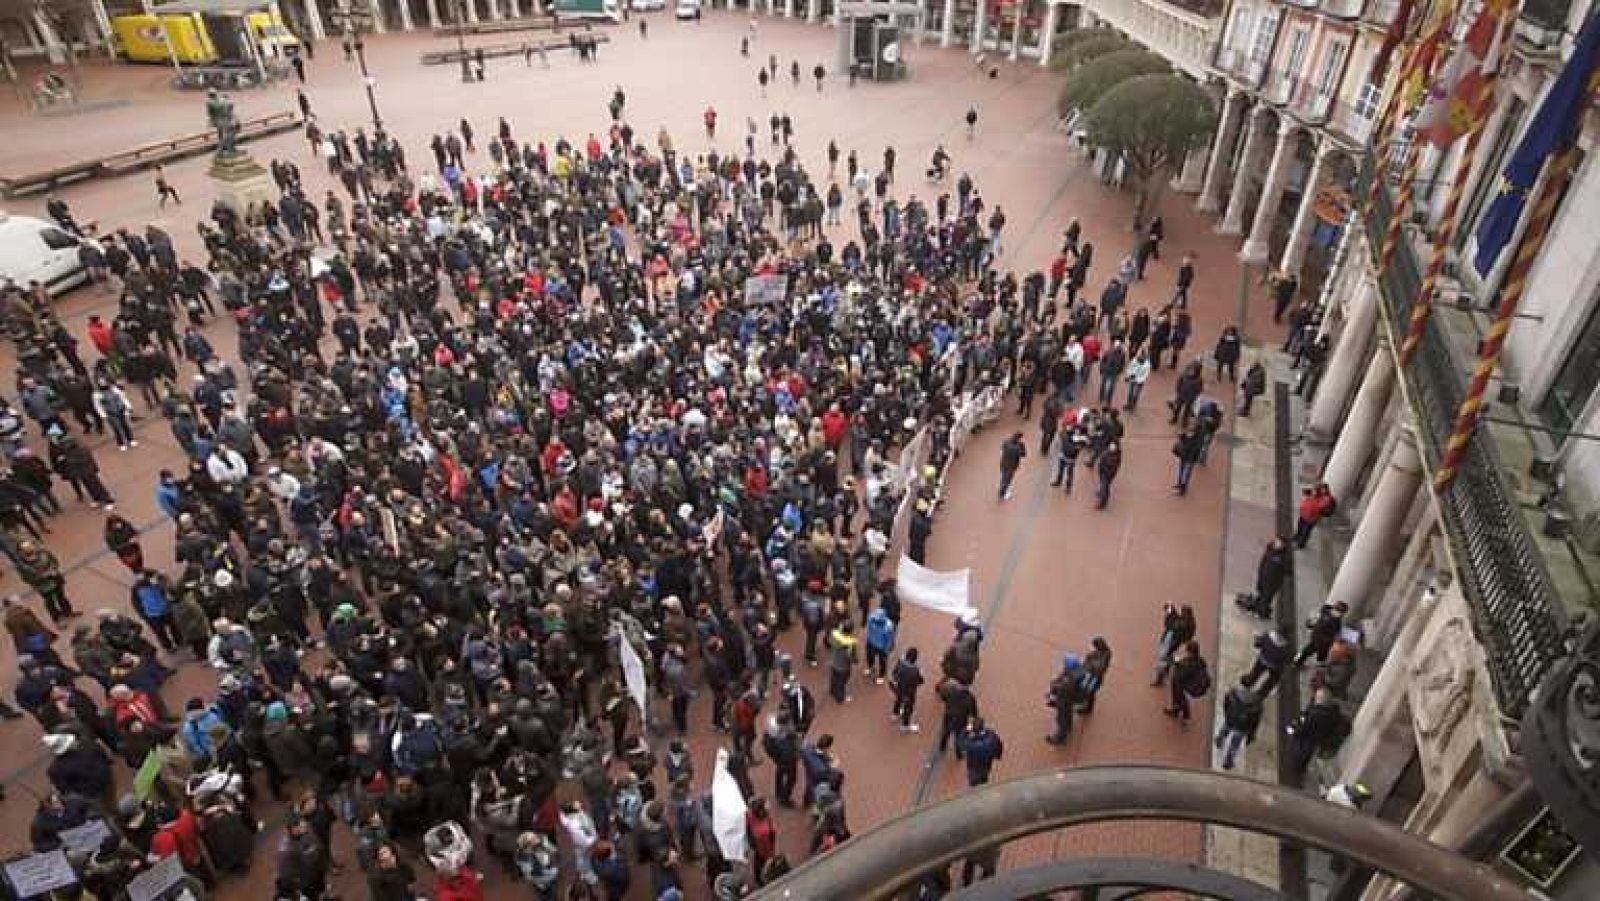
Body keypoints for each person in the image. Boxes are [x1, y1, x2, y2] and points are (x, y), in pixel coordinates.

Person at [1285, 689, 1349, 782]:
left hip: (1311, 736)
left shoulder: (1316, 714)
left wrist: (1292, 730)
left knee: (1302, 750)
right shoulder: (1334, 710)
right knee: (1308, 751)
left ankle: (1297, 767)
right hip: (1320, 736)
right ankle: (1301, 767)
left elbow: (1304, 728)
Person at [1215, 679, 1263, 770]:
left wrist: (1227, 714)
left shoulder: (1232, 694)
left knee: (1225, 728)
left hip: (1231, 719)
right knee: (1235, 744)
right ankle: (1228, 761)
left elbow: (1226, 704)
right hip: (1243, 726)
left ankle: (1219, 740)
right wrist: (1251, 734)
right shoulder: (1256, 702)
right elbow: (1255, 721)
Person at [1164, 640, 1210, 725]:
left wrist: (1176, 663)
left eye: (1187, 650)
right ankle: (1176, 710)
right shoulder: (1199, 660)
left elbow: (1182, 673)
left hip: (1184, 685)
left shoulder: (1190, 663)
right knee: (1178, 698)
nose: (1185, 652)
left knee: (1182, 700)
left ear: (1190, 652)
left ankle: (1186, 717)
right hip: (1181, 684)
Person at [1295, 601, 1349, 667]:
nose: (1340, 614)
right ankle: (1315, 665)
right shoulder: (1332, 619)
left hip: (1319, 639)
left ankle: (1297, 662)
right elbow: (1332, 632)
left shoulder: (1328, 613)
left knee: (1308, 651)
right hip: (1321, 640)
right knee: (1315, 654)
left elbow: (1336, 630)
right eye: (1341, 612)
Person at [1045, 655, 1084, 744]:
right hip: (1071, 699)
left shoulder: (1069, 679)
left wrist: (1053, 689)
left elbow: (1061, 688)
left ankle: (1059, 738)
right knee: (1068, 715)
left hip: (1064, 701)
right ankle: (1068, 727)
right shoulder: (1079, 671)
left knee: (1062, 718)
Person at [956, 718, 1003, 786]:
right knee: (984, 778)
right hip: (986, 764)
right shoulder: (990, 735)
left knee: (974, 783)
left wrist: (965, 730)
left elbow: (960, 743)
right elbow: (999, 745)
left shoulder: (971, 743)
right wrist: (997, 755)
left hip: (973, 766)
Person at [890, 647, 924, 733]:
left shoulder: (900, 663)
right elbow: (920, 681)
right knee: (908, 708)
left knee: (898, 700)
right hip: (909, 692)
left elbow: (894, 674)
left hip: (899, 688)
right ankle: (905, 725)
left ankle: (895, 714)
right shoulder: (915, 670)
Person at [1294, 484, 1337, 548]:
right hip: (1304, 514)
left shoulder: (1326, 498)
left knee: (1306, 531)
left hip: (1312, 518)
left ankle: (1301, 543)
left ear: (1326, 489)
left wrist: (1310, 499)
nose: (1321, 490)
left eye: (1323, 489)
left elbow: (1319, 507)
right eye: (1320, 489)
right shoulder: (1316, 495)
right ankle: (1297, 536)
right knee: (1300, 526)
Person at [1172, 424, 1203, 496]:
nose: (1190, 431)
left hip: (1190, 457)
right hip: (1184, 456)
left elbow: (1197, 448)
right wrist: (1180, 435)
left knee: (1186, 473)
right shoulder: (1186, 435)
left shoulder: (1197, 438)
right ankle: (1179, 484)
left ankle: (1183, 488)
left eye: (1191, 430)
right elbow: (1181, 438)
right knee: (1181, 470)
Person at [998, 431, 1026, 501]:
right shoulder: (1018, 447)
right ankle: (1002, 493)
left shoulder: (1006, 442)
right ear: (1019, 438)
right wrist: (1022, 446)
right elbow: (1023, 454)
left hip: (1003, 463)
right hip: (1011, 466)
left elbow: (1002, 449)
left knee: (1003, 478)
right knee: (1007, 480)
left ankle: (1001, 491)